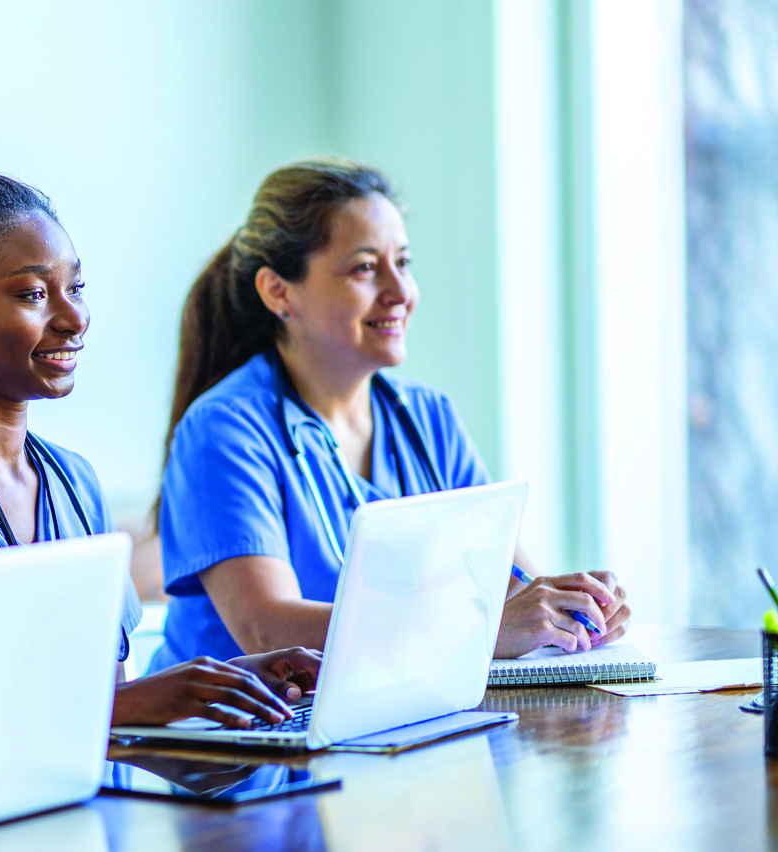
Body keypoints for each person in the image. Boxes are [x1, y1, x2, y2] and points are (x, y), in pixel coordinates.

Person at [0, 172, 322, 742]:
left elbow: (105, 725)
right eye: (32, 294)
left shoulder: (72, 481)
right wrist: (126, 708)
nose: (74, 320)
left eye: (75, 289)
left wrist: (221, 688)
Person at [151, 158, 632, 671]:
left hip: (392, 717)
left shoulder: (428, 419)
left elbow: (513, 589)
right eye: (364, 268)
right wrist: (478, 628)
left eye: (402, 263)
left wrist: (574, 611)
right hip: (238, 740)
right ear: (278, 291)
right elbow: (267, 629)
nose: (401, 293)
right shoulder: (225, 430)